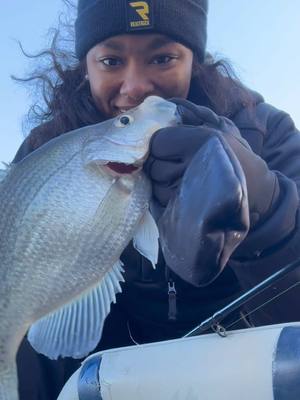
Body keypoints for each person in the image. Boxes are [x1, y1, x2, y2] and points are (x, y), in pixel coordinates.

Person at [14, 0, 300, 398]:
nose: (135, 87)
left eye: (163, 57)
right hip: (107, 371)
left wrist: (265, 206)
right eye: (111, 61)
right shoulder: (48, 150)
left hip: (243, 362)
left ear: (193, 60)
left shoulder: (266, 132)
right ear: (86, 65)